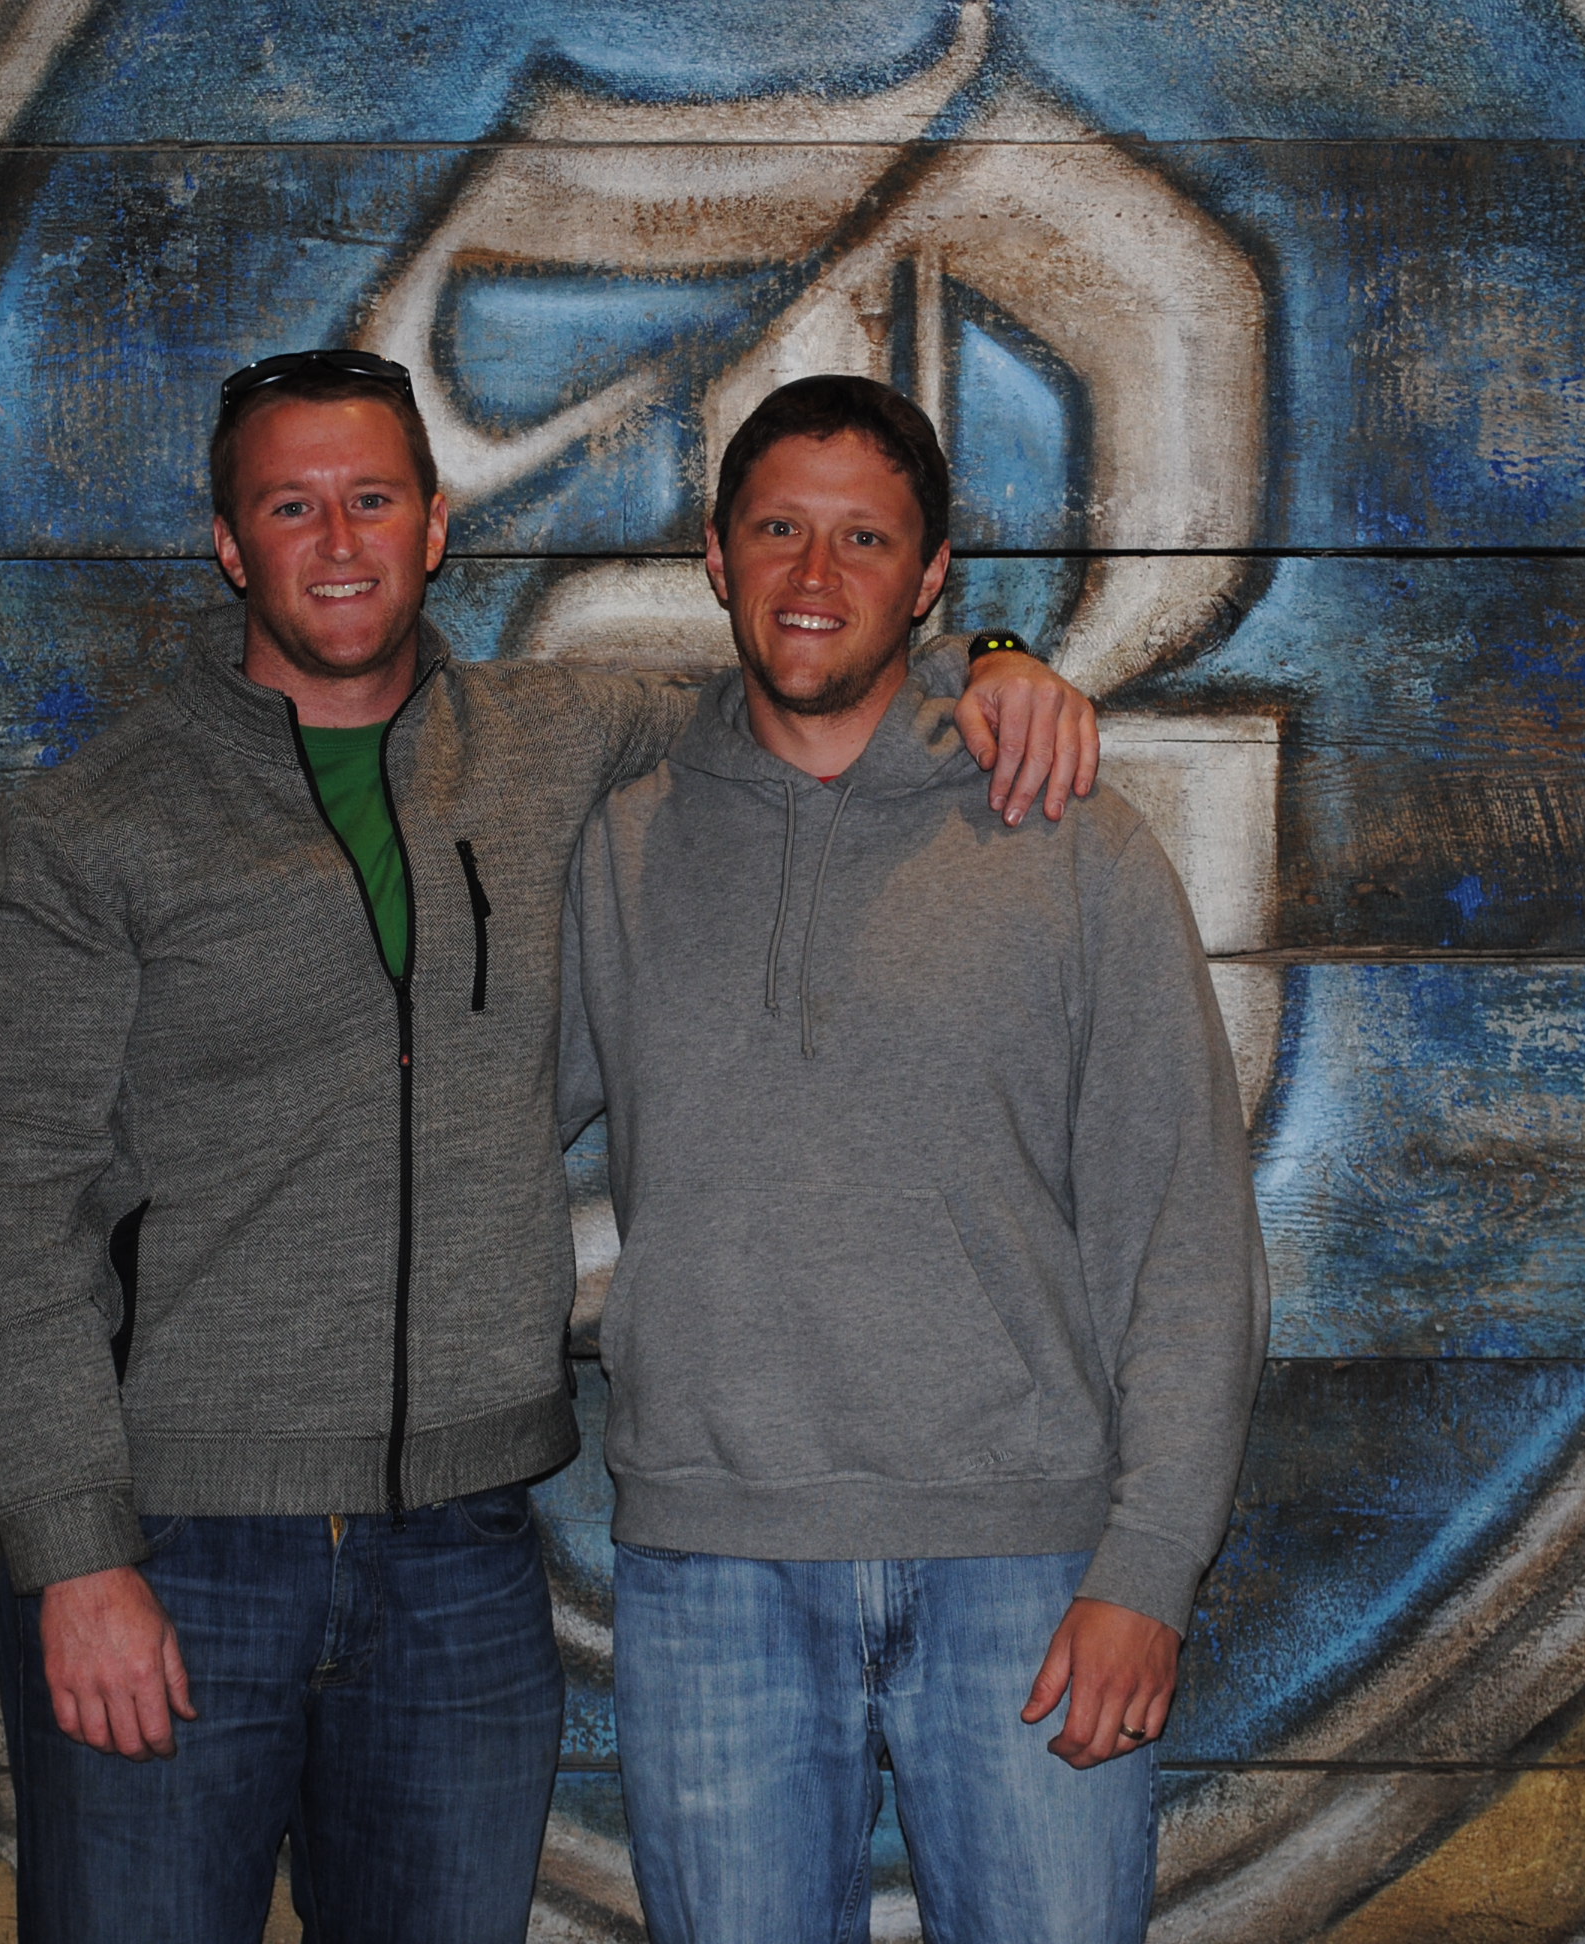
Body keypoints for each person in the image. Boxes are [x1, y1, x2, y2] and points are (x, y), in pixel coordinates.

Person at [0, 348, 1102, 1944]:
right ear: (228, 543)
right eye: (291, 506)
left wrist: (997, 657)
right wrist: (76, 1557)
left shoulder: (554, 738)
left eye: (372, 499)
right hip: (179, 1550)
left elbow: (802, 669)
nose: (337, 542)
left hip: (462, 1569)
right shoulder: (91, 830)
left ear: (433, 528)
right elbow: (15, 1221)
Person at [559, 374, 1270, 1943]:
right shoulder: (620, 846)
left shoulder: (1067, 835)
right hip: (714, 1573)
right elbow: (466, 1118)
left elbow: (1182, 1228)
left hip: (1027, 1570)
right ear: (716, 556)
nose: (815, 576)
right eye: (778, 531)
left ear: (933, 574)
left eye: (865, 539)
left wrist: (1149, 1567)